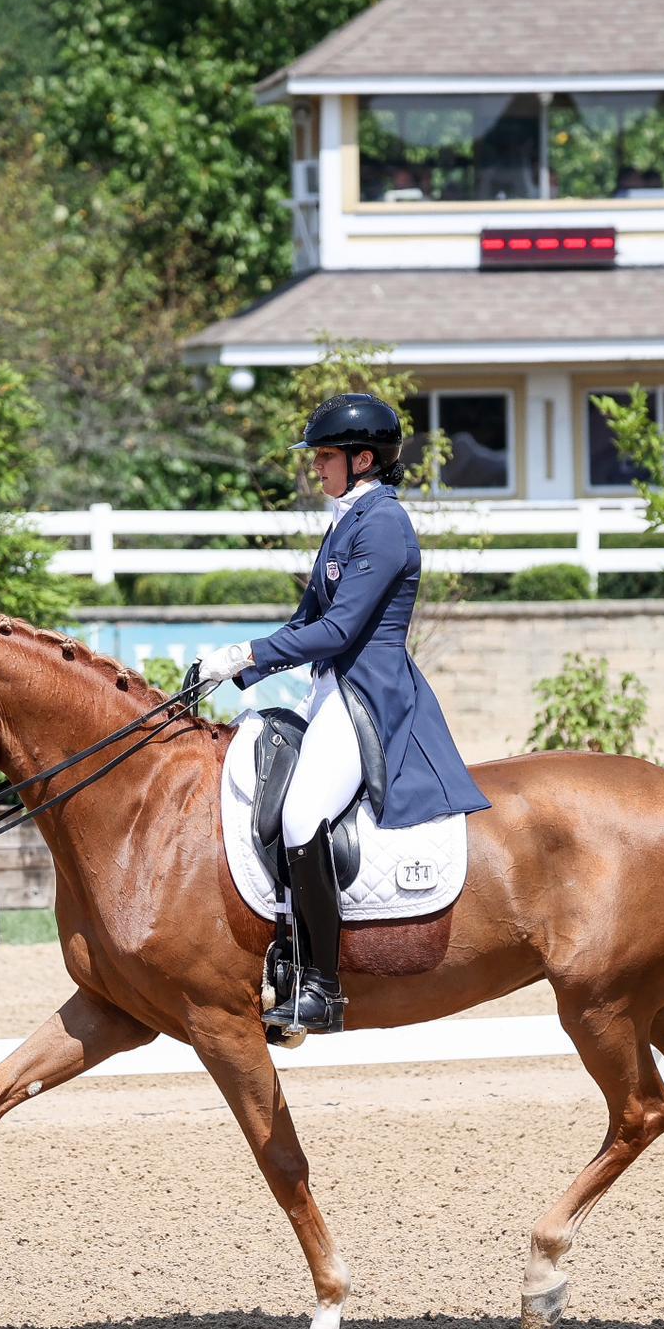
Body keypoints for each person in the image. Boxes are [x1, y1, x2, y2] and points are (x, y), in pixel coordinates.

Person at [192, 393, 490, 1036]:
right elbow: (306, 621)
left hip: (368, 693)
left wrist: (247, 652)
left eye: (326, 456)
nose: (316, 468)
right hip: (329, 689)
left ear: (363, 459)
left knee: (302, 815)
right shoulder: (347, 519)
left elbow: (340, 628)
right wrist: (239, 668)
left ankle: (321, 988)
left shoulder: (383, 522)